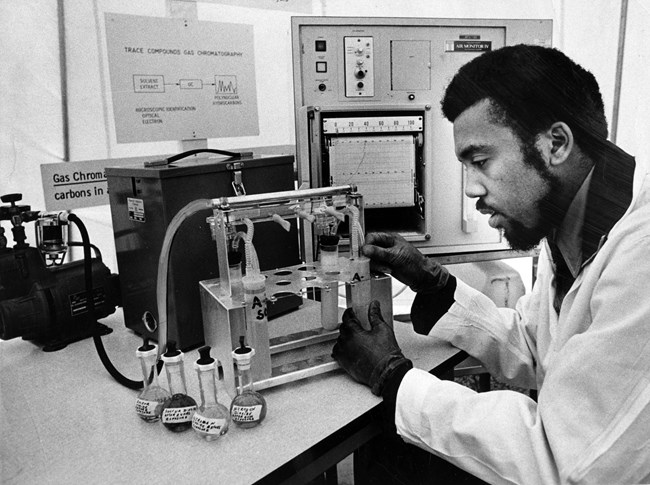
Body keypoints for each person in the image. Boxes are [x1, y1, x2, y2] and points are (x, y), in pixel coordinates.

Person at [332, 44, 650, 484]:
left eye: (481, 161)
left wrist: (394, 379)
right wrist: (437, 286)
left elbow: (566, 466)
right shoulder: (573, 225)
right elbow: (540, 348)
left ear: (555, 143)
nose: (470, 189)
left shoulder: (641, 258)